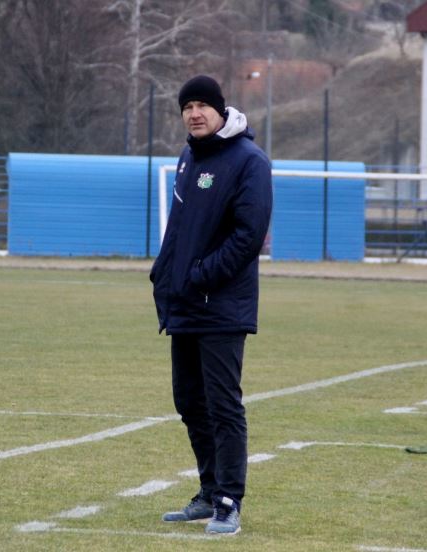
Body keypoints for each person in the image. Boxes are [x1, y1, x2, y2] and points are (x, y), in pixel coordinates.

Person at [150, 75, 272, 535]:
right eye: (187, 107)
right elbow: (180, 230)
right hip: (184, 302)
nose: (194, 113)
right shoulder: (188, 158)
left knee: (222, 404)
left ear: (221, 110)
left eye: (202, 105)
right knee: (189, 401)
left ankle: (228, 501)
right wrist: (165, 274)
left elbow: (248, 236)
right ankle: (208, 490)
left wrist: (200, 275)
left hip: (221, 305)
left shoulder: (249, 161)